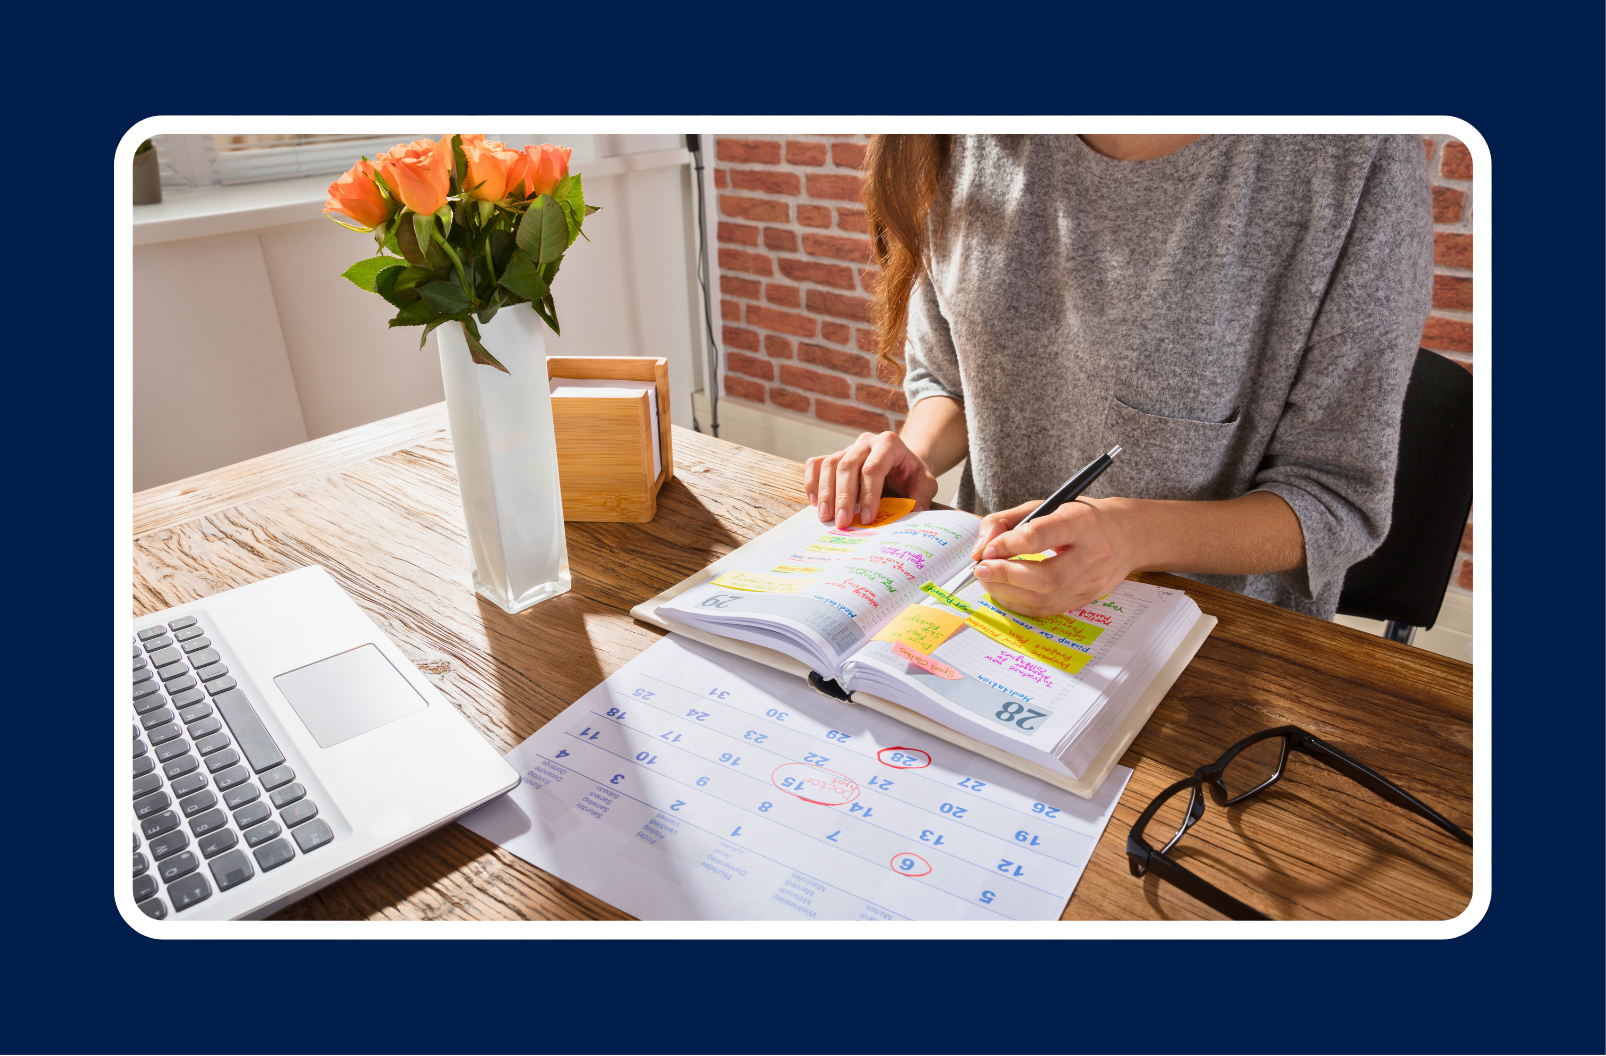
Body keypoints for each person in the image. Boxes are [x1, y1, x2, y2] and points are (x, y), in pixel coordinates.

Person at [803, 134, 1433, 620]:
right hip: (987, 609)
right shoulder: (961, 134)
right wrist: (913, 455)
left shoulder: (1354, 153)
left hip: (1210, 650)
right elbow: (950, 379)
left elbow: (1336, 500)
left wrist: (1129, 537)